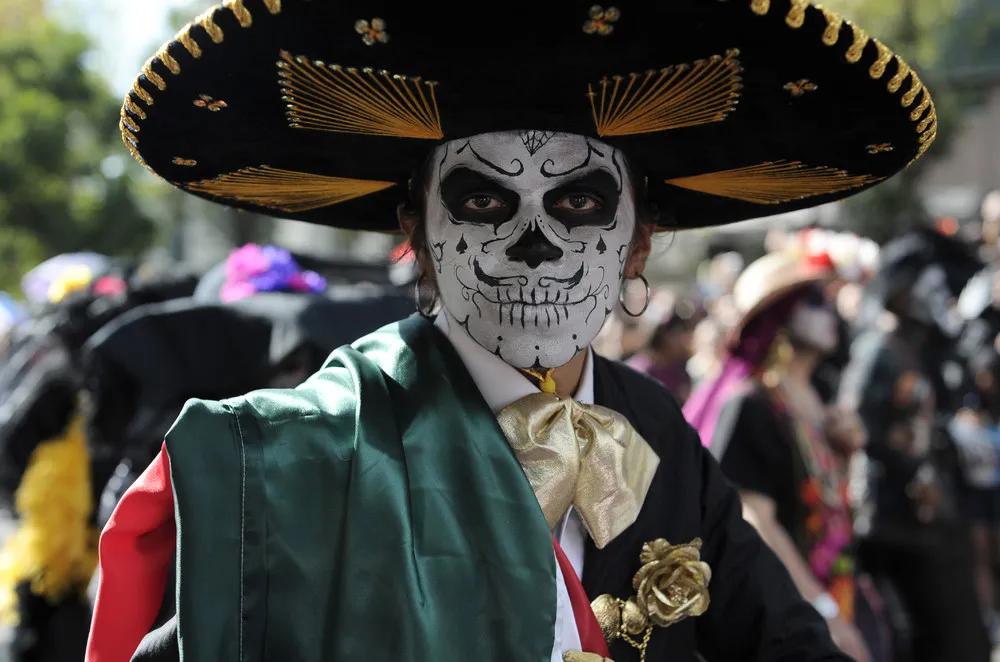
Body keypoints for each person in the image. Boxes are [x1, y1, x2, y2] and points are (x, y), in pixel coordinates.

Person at [86, 1, 934, 660]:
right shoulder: (313, 451)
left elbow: (779, 638)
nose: (535, 245)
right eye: (483, 200)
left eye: (580, 203)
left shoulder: (656, 430)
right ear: (414, 230)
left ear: (639, 240)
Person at [684, 251, 881, 662]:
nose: (830, 312)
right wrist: (823, 612)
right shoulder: (752, 404)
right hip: (788, 610)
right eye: (814, 302)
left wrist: (846, 452)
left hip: (839, 588)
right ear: (781, 315)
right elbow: (758, 521)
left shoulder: (820, 402)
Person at [838, 230, 991, 662]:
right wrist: (911, 470)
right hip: (892, 517)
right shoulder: (876, 348)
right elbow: (856, 421)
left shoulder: (915, 347)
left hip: (927, 516)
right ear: (902, 293)